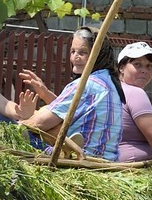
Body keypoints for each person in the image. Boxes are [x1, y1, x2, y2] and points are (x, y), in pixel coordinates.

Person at [16, 26, 124, 159]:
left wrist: (16, 125)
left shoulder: (85, 85)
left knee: (5, 121)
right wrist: (45, 93)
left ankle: (57, 149)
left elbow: (39, 123)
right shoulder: (110, 82)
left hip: (83, 156)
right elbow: (66, 108)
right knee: (50, 117)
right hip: (108, 158)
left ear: (97, 54)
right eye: (73, 51)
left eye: (82, 52)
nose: (75, 57)